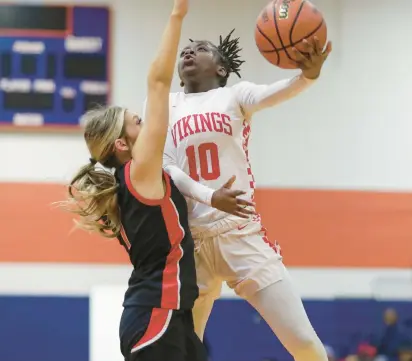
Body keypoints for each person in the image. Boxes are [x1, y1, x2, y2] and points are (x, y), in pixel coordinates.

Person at [155, 30, 332, 361]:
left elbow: (273, 93)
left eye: (201, 47)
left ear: (221, 69)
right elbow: (167, 168)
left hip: (240, 233)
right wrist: (209, 196)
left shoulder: (236, 95)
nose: (189, 51)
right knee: (179, 353)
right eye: (186, 49)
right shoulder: (169, 105)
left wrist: (308, 75)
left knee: (303, 342)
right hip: (192, 244)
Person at [59, 1, 208, 360]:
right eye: (137, 121)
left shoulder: (131, 182)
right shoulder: (138, 172)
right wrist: (178, 14)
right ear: (122, 143)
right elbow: (158, 82)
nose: (146, 123)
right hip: (154, 316)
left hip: (166, 316)